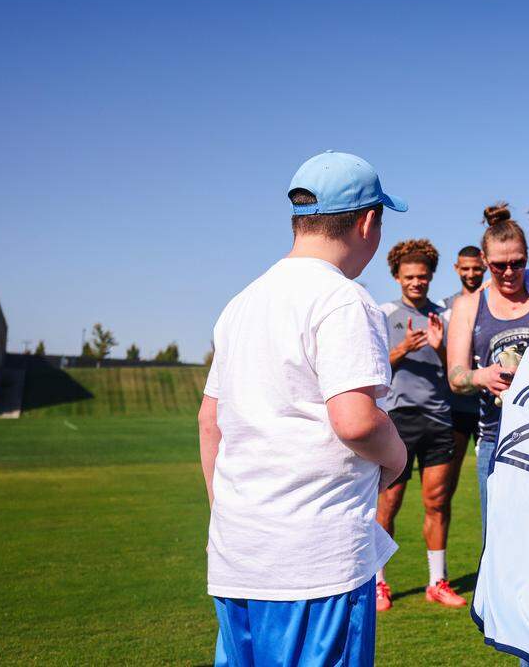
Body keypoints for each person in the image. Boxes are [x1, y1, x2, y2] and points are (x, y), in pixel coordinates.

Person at [198, 151, 408, 667]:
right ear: (368, 221)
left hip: (238, 556)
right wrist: (398, 457)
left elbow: (210, 421)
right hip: (316, 562)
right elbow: (355, 420)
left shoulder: (242, 302)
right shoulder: (344, 299)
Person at [446, 204, 529, 525]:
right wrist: (483, 376)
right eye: (499, 266)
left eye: (517, 263)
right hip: (496, 439)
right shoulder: (468, 306)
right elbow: (456, 376)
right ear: (484, 261)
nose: (509, 273)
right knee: (497, 543)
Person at [375, 240, 466, 612]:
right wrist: (401, 350)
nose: (417, 283)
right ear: (397, 277)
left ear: (431, 277)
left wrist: (441, 346)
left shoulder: (444, 315)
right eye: (410, 277)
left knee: (437, 503)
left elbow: (456, 370)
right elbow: (372, 369)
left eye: (423, 277)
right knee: (388, 504)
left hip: (438, 418)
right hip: (397, 421)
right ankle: (378, 583)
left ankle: (437, 582)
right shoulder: (382, 314)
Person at [440, 246, 486, 499]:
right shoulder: (443, 308)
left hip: (488, 404)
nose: (470, 273)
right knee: (445, 486)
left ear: (486, 266)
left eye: (476, 268)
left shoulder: (495, 302)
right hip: (455, 408)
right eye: (465, 268)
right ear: (456, 269)